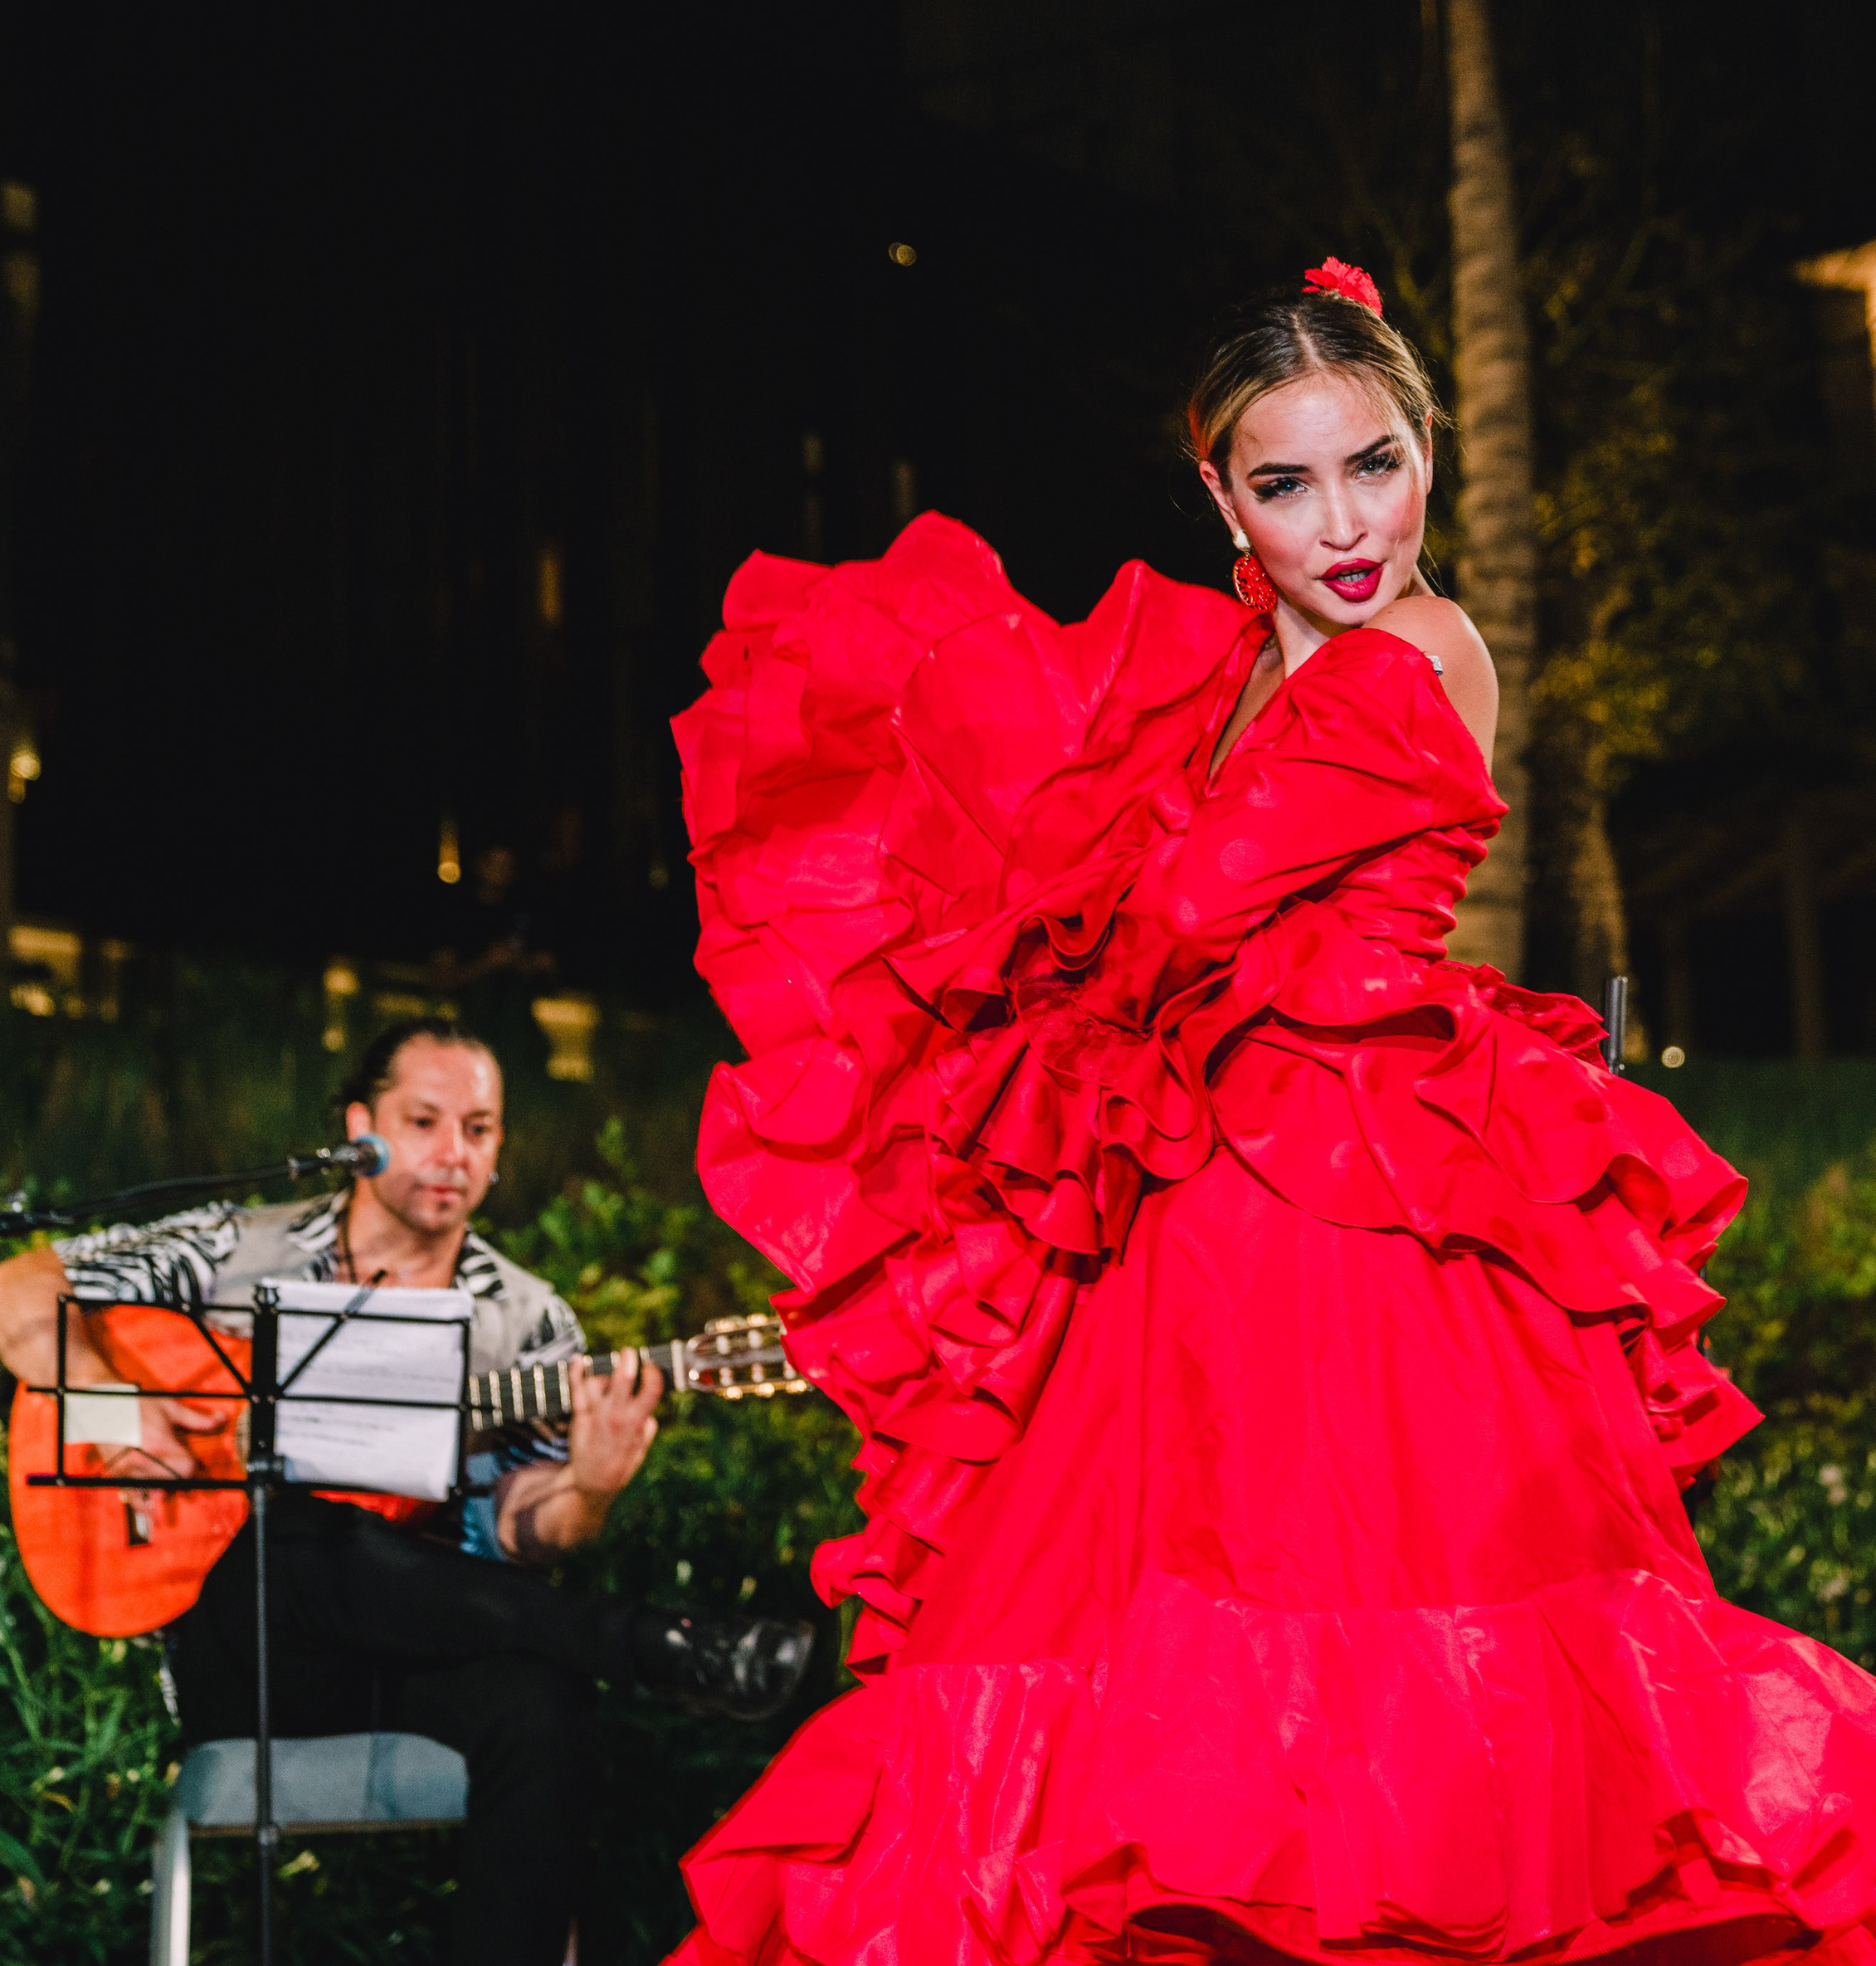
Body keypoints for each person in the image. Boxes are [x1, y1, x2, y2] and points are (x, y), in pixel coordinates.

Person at [662, 261, 1876, 1966]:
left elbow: (1171, 908)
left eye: (1372, 463)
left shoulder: (1412, 655)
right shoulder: (1212, 672)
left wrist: (1001, 909)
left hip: (1359, 1215)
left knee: (1385, 1725)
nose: (1343, 521)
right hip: (1195, 1231)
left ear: (1429, 455)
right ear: (1218, 494)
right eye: (1287, 481)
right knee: (1171, 1745)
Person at [0, 1017, 814, 1966]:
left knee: (545, 1709)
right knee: (298, 1530)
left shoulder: (527, 1319)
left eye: (481, 1129)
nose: (453, 1153)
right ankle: (653, 1645)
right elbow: (19, 1287)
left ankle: (631, 1655)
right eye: (424, 1120)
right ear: (358, 1126)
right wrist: (111, 1406)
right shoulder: (236, 1251)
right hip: (254, 1650)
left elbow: (524, 1532)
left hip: (429, 1631)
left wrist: (588, 1483)